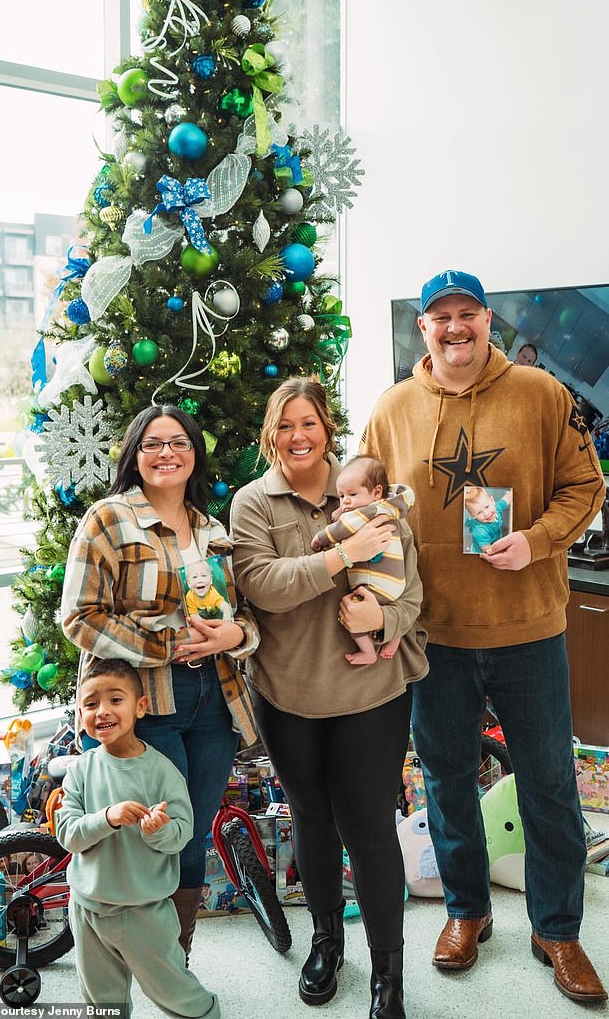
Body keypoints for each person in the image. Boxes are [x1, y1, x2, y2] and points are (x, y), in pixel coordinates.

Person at [361, 269, 607, 1004]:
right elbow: (364, 505)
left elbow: (586, 487)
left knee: (549, 785)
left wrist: (536, 540)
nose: (455, 326)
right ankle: (468, 912)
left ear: (488, 321)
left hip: (527, 627)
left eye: (468, 313)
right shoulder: (394, 407)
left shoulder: (541, 393)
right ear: (425, 329)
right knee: (445, 782)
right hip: (433, 635)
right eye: (441, 317)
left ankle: (558, 927)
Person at [230, 377, 428, 1019]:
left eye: (308, 423)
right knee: (311, 820)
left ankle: (388, 972)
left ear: (327, 428)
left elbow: (414, 593)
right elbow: (264, 586)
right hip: (288, 694)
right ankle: (325, 940)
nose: (298, 437)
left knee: (370, 830)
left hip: (371, 693)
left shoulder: (370, 492)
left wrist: (386, 625)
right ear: (271, 433)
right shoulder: (254, 503)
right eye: (285, 425)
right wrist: (345, 555)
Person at [61, 403, 259, 966]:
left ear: (194, 454)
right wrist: (166, 646)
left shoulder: (214, 530)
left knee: (188, 834)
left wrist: (231, 637)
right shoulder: (107, 519)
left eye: (178, 442)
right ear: (134, 455)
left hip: (215, 701)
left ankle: (175, 961)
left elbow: (247, 620)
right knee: (147, 834)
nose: (166, 452)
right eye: (152, 443)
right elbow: (81, 616)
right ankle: (128, 956)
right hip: (147, 703)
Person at [56, 657, 219, 1019]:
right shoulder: (81, 770)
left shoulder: (162, 771)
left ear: (140, 707)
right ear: (80, 713)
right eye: (91, 703)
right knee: (102, 1001)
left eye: (116, 700)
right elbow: (67, 834)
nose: (103, 711)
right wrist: (107, 818)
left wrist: (159, 831)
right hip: (87, 909)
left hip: (145, 912)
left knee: (175, 990)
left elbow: (182, 833)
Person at [311, 455, 416, 665]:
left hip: (373, 585)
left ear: (376, 492)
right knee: (391, 608)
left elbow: (343, 528)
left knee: (351, 612)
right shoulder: (388, 509)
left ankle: (367, 651)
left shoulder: (367, 512)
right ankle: (395, 637)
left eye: (352, 494)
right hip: (394, 586)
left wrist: (320, 538)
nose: (345, 501)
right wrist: (343, 510)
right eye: (341, 496)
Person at [463, 486, 511, 553]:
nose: (486, 513)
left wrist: (511, 494)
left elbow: (506, 499)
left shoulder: (496, 508)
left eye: (487, 506)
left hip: (494, 541)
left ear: (492, 501)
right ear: (473, 516)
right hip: (481, 552)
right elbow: (488, 551)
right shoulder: (479, 531)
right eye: (479, 512)